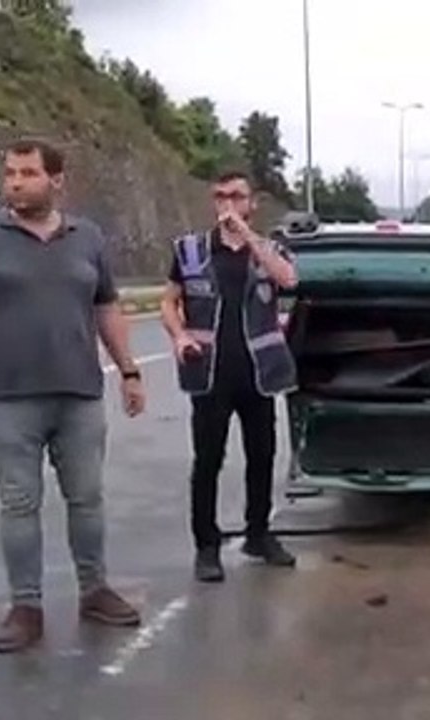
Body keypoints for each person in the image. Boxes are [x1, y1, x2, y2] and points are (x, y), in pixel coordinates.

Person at [0, 138, 146, 653]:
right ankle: (26, 606)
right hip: (6, 396)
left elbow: (107, 306)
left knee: (87, 499)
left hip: (79, 393)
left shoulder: (87, 238)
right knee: (19, 504)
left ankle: (95, 590)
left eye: (28, 173)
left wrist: (129, 371)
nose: (15, 182)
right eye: (10, 172)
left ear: (56, 181)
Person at [160, 170, 300, 583]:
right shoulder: (189, 250)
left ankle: (259, 534)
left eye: (236, 196)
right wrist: (179, 334)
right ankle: (207, 546)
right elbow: (169, 301)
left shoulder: (271, 248)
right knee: (208, 460)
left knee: (262, 457)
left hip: (258, 374)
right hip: (209, 373)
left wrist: (249, 238)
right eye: (220, 196)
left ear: (251, 203)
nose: (227, 204)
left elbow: (287, 278)